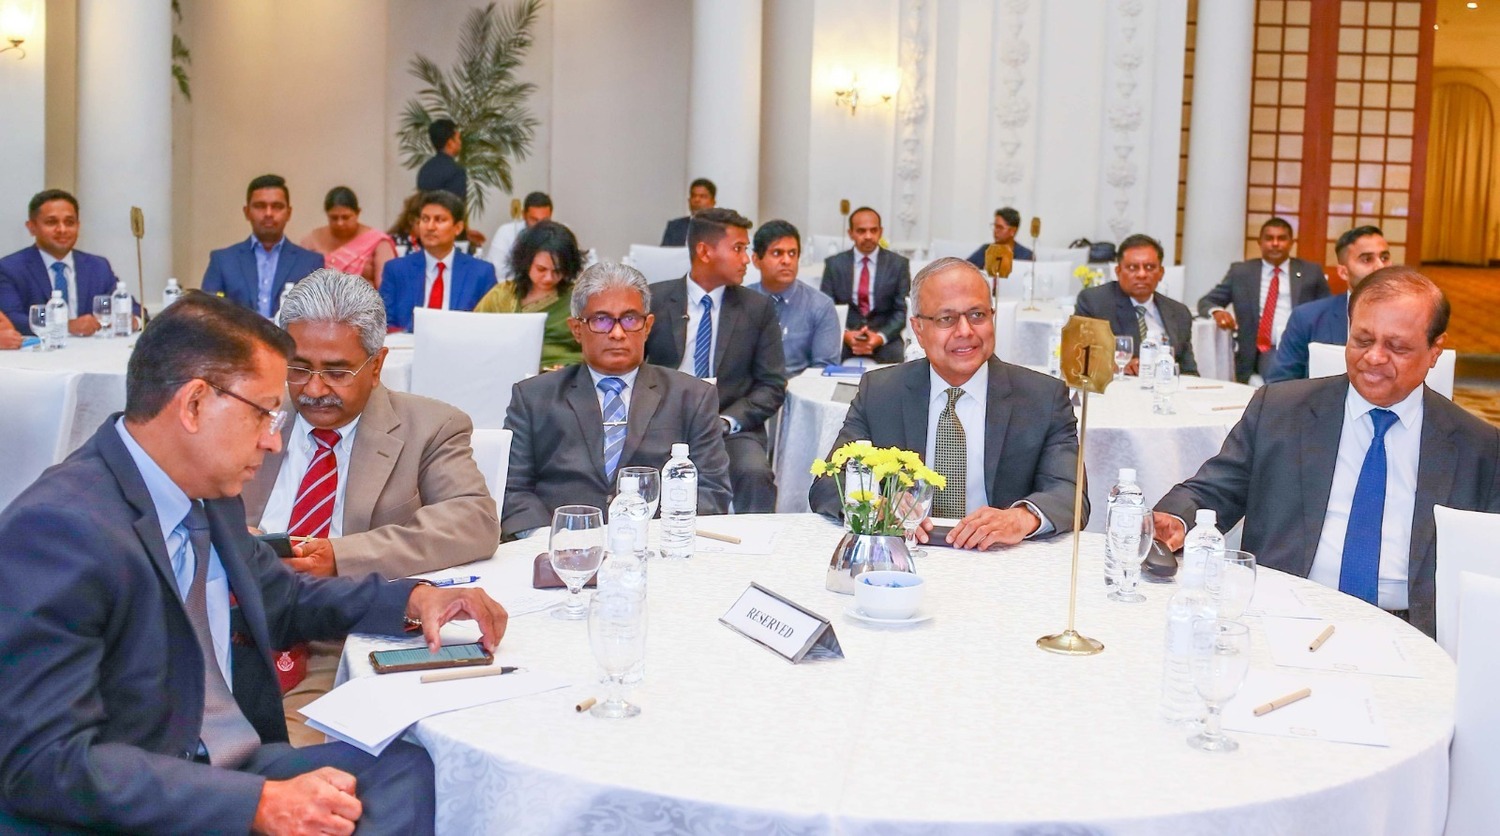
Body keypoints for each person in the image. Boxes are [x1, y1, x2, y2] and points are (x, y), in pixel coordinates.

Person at [0, 291, 508, 834]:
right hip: (147, 795)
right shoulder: (59, 531)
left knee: (424, 773)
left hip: (232, 761)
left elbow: (284, 597)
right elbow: (42, 763)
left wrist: (411, 598)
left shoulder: (203, 488)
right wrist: (255, 805)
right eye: (265, 414)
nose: (273, 441)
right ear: (195, 404)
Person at [1155, 267, 1500, 638]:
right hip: (1284, 612)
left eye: (1397, 347)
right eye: (1362, 340)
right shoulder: (1281, 411)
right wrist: (1176, 517)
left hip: (1411, 631)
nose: (1374, 357)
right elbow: (1215, 490)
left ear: (1435, 350)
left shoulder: (1478, 448)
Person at [241, 269, 500, 743]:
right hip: (231, 629)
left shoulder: (430, 426)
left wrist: (341, 557)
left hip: (332, 642)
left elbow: (473, 519)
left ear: (377, 364)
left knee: (280, 763)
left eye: (337, 372)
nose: (314, 389)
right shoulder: (250, 413)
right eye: (299, 368)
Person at [810, 257, 1084, 549]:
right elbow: (829, 482)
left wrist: (1021, 518)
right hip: (904, 553)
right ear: (918, 329)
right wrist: (877, 503)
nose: (965, 331)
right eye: (946, 319)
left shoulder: (1042, 397)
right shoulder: (880, 392)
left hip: (998, 557)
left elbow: (1070, 490)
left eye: (977, 315)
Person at [502, 262, 732, 538]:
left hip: (658, 544)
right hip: (558, 544)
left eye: (630, 319)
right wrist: (549, 540)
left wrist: (657, 537)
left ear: (647, 326)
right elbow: (512, 488)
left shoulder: (692, 396)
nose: (617, 333)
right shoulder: (533, 398)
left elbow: (712, 490)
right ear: (576, 329)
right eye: (601, 320)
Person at [644, 207, 786, 513]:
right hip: (661, 423)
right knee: (635, 469)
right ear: (705, 251)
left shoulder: (757, 308)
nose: (746, 259)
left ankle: (754, 542)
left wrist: (726, 421)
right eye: (738, 249)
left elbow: (772, 385)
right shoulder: (654, 300)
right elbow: (632, 370)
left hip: (730, 426)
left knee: (754, 473)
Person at [1197, 217, 1330, 382]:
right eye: (1269, 238)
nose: (1275, 243)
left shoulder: (1311, 272)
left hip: (1302, 345)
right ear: (1260, 243)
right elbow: (1207, 301)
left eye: (1281, 238)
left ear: (1291, 243)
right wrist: (1217, 312)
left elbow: (1328, 310)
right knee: (1280, 374)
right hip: (1264, 349)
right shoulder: (1241, 272)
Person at [0, 188, 138, 336]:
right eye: (51, 222)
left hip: (92, 349)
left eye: (69, 222)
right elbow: (13, 317)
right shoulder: (10, 268)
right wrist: (66, 326)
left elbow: (133, 308)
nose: (62, 229)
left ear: (78, 226)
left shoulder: (97, 267)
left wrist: (133, 321)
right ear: (32, 227)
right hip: (40, 349)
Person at [1265, 226, 1392, 383]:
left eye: (1384, 258)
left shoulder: (1410, 316)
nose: (1380, 266)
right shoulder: (1307, 318)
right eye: (1367, 259)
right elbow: (1280, 383)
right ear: (1343, 272)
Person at [202, 174, 326, 319]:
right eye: (260, 206)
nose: (268, 213)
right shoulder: (223, 261)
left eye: (277, 207)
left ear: (288, 213)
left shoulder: (310, 263)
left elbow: (318, 319)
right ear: (247, 212)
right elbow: (206, 315)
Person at [1073, 233, 1198, 376]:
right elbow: (1080, 357)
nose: (1142, 274)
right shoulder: (1095, 302)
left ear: (1161, 273)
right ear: (1118, 271)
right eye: (1133, 268)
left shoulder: (1179, 312)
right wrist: (1117, 366)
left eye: (1149, 267)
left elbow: (1189, 372)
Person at [379, 190, 498, 332]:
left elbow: (489, 325)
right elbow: (383, 323)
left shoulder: (481, 273)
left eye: (439, 220)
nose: (430, 227)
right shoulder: (396, 270)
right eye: (425, 219)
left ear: (458, 228)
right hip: (408, 343)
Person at [474, 220, 585, 369]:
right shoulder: (501, 296)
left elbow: (597, 348)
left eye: (557, 271)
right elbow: (474, 336)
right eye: (541, 269)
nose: (548, 278)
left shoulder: (580, 300)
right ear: (526, 262)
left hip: (565, 377)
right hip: (505, 373)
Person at [749, 219, 841, 376]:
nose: (787, 261)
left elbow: (824, 369)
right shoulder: (741, 301)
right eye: (777, 253)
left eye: (792, 253)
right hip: (749, 388)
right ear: (756, 260)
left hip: (798, 387)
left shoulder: (820, 305)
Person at [820, 206, 911, 364]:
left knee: (899, 369)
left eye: (873, 230)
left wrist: (880, 337)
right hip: (845, 338)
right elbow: (826, 308)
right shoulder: (834, 264)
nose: (868, 236)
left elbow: (902, 310)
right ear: (851, 233)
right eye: (861, 231)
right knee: (823, 361)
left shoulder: (898, 265)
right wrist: (845, 334)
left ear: (880, 232)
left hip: (885, 337)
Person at [299, 187, 398, 288]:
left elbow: (386, 287)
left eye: (345, 217)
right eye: (334, 218)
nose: (340, 223)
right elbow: (299, 280)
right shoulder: (312, 240)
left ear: (358, 213)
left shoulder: (378, 242)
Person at [483, 191, 554, 279]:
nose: (540, 225)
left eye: (545, 220)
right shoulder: (506, 232)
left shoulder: (559, 235)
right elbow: (496, 271)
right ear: (524, 215)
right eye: (534, 220)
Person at [415, 118, 467, 201]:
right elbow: (456, 205)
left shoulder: (424, 169)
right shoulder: (456, 171)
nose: (460, 142)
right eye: (458, 138)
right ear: (450, 143)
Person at [966, 207, 1033, 269]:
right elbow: (965, 268)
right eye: (995, 226)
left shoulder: (1025, 255)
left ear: (1012, 231)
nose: (995, 231)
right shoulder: (986, 249)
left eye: (1000, 227)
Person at [660, 177, 717, 247]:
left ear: (713, 202)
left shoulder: (721, 227)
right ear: (689, 200)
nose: (697, 200)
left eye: (702, 196)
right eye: (693, 196)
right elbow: (665, 251)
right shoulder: (674, 227)